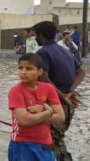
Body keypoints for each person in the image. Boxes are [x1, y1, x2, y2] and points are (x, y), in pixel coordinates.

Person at [33, 21, 85, 160]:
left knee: (52, 141)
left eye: (35, 35)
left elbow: (43, 78)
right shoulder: (65, 51)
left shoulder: (42, 52)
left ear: (41, 35)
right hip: (68, 104)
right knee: (58, 138)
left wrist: (63, 96)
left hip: (55, 104)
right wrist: (70, 91)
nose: (34, 38)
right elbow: (80, 72)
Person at [8, 53, 65, 161]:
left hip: (45, 144)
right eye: (20, 68)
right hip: (22, 144)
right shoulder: (16, 91)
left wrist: (33, 116)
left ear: (40, 71)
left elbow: (61, 117)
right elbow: (24, 121)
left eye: (29, 68)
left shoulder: (48, 89)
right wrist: (48, 112)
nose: (23, 72)